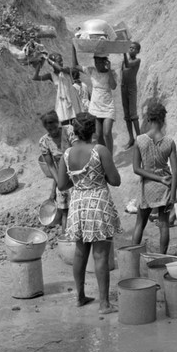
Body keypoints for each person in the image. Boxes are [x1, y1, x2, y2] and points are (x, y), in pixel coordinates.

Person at [58, 112, 121, 314]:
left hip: (78, 204)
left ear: (75, 131)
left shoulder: (67, 154)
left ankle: (80, 297)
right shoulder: (100, 150)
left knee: (80, 252)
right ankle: (104, 304)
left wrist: (78, 180)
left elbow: (61, 184)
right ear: (93, 129)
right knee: (101, 255)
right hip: (98, 203)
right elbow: (115, 180)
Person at [132, 101, 177, 254]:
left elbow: (136, 169)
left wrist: (155, 179)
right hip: (165, 187)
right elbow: (176, 171)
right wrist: (173, 195)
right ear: (163, 119)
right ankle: (161, 257)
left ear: (148, 119)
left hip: (147, 188)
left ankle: (132, 255)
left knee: (140, 223)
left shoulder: (140, 140)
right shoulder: (169, 142)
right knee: (164, 225)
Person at [72, 52, 118, 154]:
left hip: (108, 106)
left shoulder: (112, 73)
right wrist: (73, 46)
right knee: (98, 135)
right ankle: (103, 154)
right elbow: (75, 65)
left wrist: (109, 69)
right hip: (95, 107)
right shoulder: (92, 71)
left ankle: (109, 156)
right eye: (96, 62)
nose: (97, 64)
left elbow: (113, 86)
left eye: (100, 62)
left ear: (105, 62)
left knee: (107, 133)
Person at [39, 110, 76, 233]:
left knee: (79, 208)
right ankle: (66, 241)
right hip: (62, 177)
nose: (53, 131)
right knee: (65, 212)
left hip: (77, 173)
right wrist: (60, 183)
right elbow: (51, 166)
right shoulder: (44, 142)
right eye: (49, 129)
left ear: (58, 122)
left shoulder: (69, 131)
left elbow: (78, 152)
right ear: (45, 128)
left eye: (54, 126)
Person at [33, 52, 82, 125]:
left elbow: (60, 68)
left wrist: (48, 60)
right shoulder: (51, 75)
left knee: (76, 122)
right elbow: (35, 78)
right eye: (59, 61)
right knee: (65, 124)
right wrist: (39, 65)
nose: (62, 62)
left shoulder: (67, 70)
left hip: (72, 98)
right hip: (62, 102)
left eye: (62, 60)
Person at [121, 42, 141, 149]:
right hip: (123, 87)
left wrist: (124, 53)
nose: (131, 50)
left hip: (131, 88)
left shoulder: (137, 61)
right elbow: (122, 72)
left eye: (133, 48)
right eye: (130, 48)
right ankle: (131, 138)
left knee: (133, 114)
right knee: (127, 115)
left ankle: (139, 138)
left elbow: (128, 65)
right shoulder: (123, 62)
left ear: (137, 51)